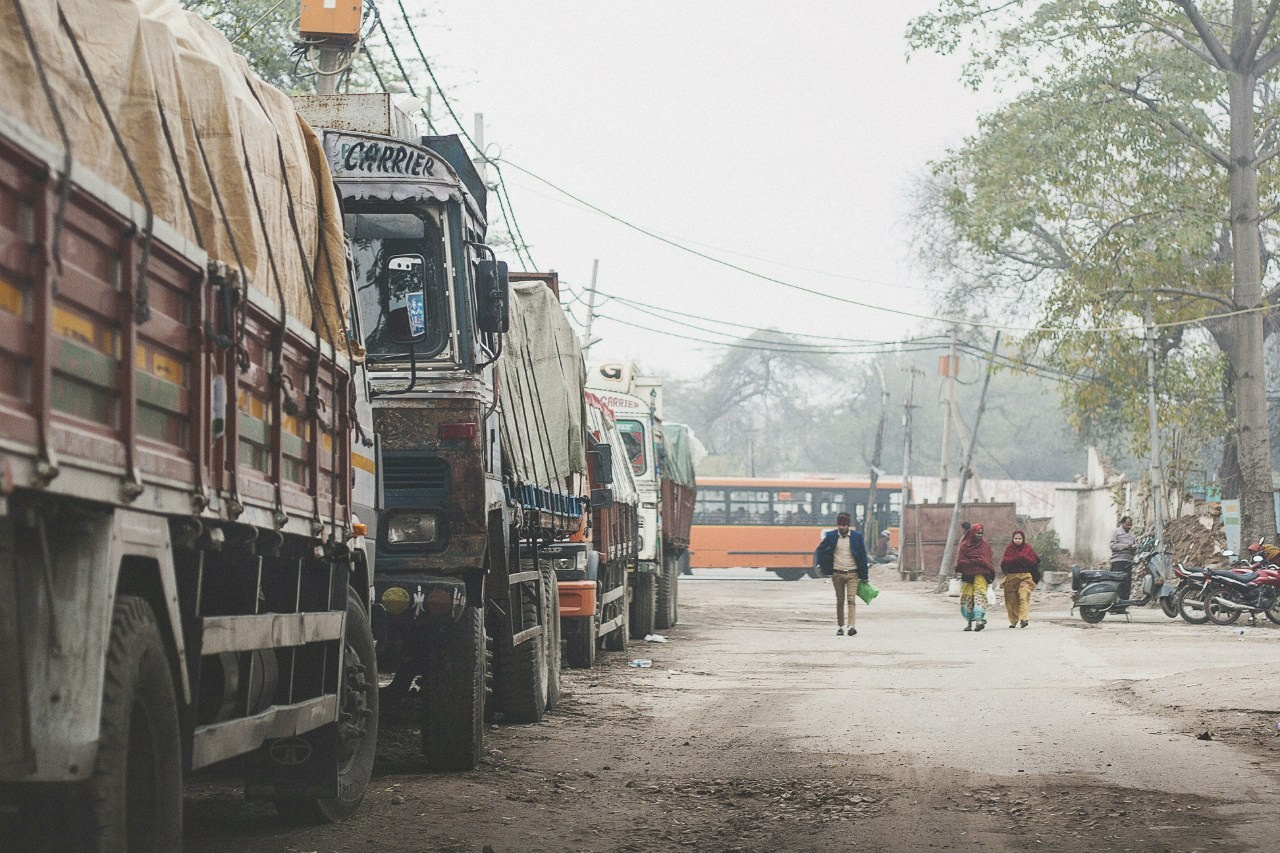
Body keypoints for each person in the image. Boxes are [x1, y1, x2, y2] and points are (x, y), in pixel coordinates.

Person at [814, 512, 869, 636]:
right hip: (836, 574)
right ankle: (840, 626)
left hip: (853, 574)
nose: (841, 527)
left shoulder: (857, 537)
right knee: (840, 601)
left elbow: (862, 556)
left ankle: (851, 626)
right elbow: (820, 550)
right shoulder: (831, 536)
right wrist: (823, 566)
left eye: (843, 525)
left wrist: (865, 576)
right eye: (839, 524)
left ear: (848, 525)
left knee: (851, 599)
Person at [954, 523, 995, 631]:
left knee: (979, 596)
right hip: (967, 575)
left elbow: (987, 560)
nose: (980, 535)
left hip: (982, 574)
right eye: (977, 532)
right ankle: (969, 623)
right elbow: (960, 561)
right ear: (972, 533)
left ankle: (978, 621)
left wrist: (980, 563)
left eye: (981, 533)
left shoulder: (985, 545)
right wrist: (976, 561)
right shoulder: (964, 545)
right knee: (968, 598)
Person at [1000, 529, 1041, 628]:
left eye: (1020, 538)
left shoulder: (1028, 549)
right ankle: (1014, 620)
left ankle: (1024, 619)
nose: (1018, 540)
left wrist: (1023, 559)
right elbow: (1004, 563)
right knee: (1011, 600)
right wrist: (1017, 559)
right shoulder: (1009, 549)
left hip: (1025, 577)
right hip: (1012, 578)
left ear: (1023, 539)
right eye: (1016, 538)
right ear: (1012, 539)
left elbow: (1035, 562)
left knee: (1024, 595)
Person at [1110, 515, 1137, 607]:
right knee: (1117, 584)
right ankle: (1114, 605)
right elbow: (1112, 546)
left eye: (1130, 525)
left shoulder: (1132, 535)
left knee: (1126, 584)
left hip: (1128, 562)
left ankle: (1123, 605)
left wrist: (1134, 548)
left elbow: (1135, 549)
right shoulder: (1116, 532)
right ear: (1122, 523)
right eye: (1127, 524)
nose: (1129, 527)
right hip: (1117, 561)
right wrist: (1125, 546)